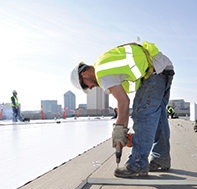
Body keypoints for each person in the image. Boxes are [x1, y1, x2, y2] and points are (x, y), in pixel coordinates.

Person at [70, 40, 174, 178]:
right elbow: (123, 104)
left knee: (142, 114)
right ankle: (161, 158)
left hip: (154, 73)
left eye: (86, 86)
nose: (90, 88)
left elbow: (123, 102)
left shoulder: (101, 73)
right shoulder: (103, 62)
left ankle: (137, 164)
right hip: (164, 68)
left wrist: (119, 131)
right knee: (158, 117)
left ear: (84, 75)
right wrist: (122, 131)